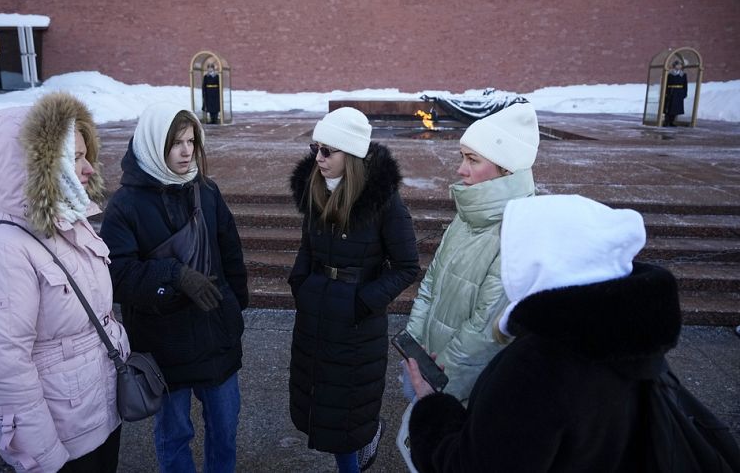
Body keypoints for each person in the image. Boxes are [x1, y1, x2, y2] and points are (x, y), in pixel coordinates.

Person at [404, 194, 739, 472]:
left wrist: (433, 409)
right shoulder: (628, 344)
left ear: (546, 259)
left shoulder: (538, 367)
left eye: (517, 251)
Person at [0, 92, 130, 472]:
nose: (89, 169)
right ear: (36, 166)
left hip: (97, 418)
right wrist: (45, 459)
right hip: (62, 445)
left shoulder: (70, 226)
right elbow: (7, 373)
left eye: (86, 155)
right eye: (76, 158)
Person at [99, 102, 248, 473]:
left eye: (191, 142)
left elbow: (230, 252)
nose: (186, 151)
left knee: (225, 430)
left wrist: (233, 308)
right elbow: (118, 275)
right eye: (176, 143)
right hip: (163, 345)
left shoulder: (207, 191)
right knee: (174, 435)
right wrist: (174, 275)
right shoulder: (125, 205)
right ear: (154, 143)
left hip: (215, 336)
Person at [288, 107, 420, 472]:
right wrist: (301, 285)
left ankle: (360, 449)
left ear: (351, 155)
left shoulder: (384, 201)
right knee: (321, 404)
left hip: (356, 325)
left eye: (327, 151)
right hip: (316, 314)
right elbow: (307, 248)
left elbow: (407, 266)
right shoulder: (316, 188)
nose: (318, 158)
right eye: (315, 148)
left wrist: (362, 302)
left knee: (347, 419)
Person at [403, 102, 539, 403]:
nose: (460, 169)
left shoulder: (516, 233)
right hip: (426, 369)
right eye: (462, 157)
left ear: (506, 168)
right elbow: (431, 284)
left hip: (458, 391)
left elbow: (484, 331)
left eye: (472, 160)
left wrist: (439, 383)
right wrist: (414, 347)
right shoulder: (467, 217)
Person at [663, 59, 688, 127]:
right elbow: (666, 84)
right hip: (671, 91)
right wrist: (666, 92)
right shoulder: (670, 74)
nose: (679, 66)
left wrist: (684, 93)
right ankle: (666, 121)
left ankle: (672, 121)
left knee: (676, 108)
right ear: (675, 66)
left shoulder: (683, 74)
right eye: (678, 65)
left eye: (680, 65)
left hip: (679, 92)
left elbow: (685, 85)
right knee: (669, 107)